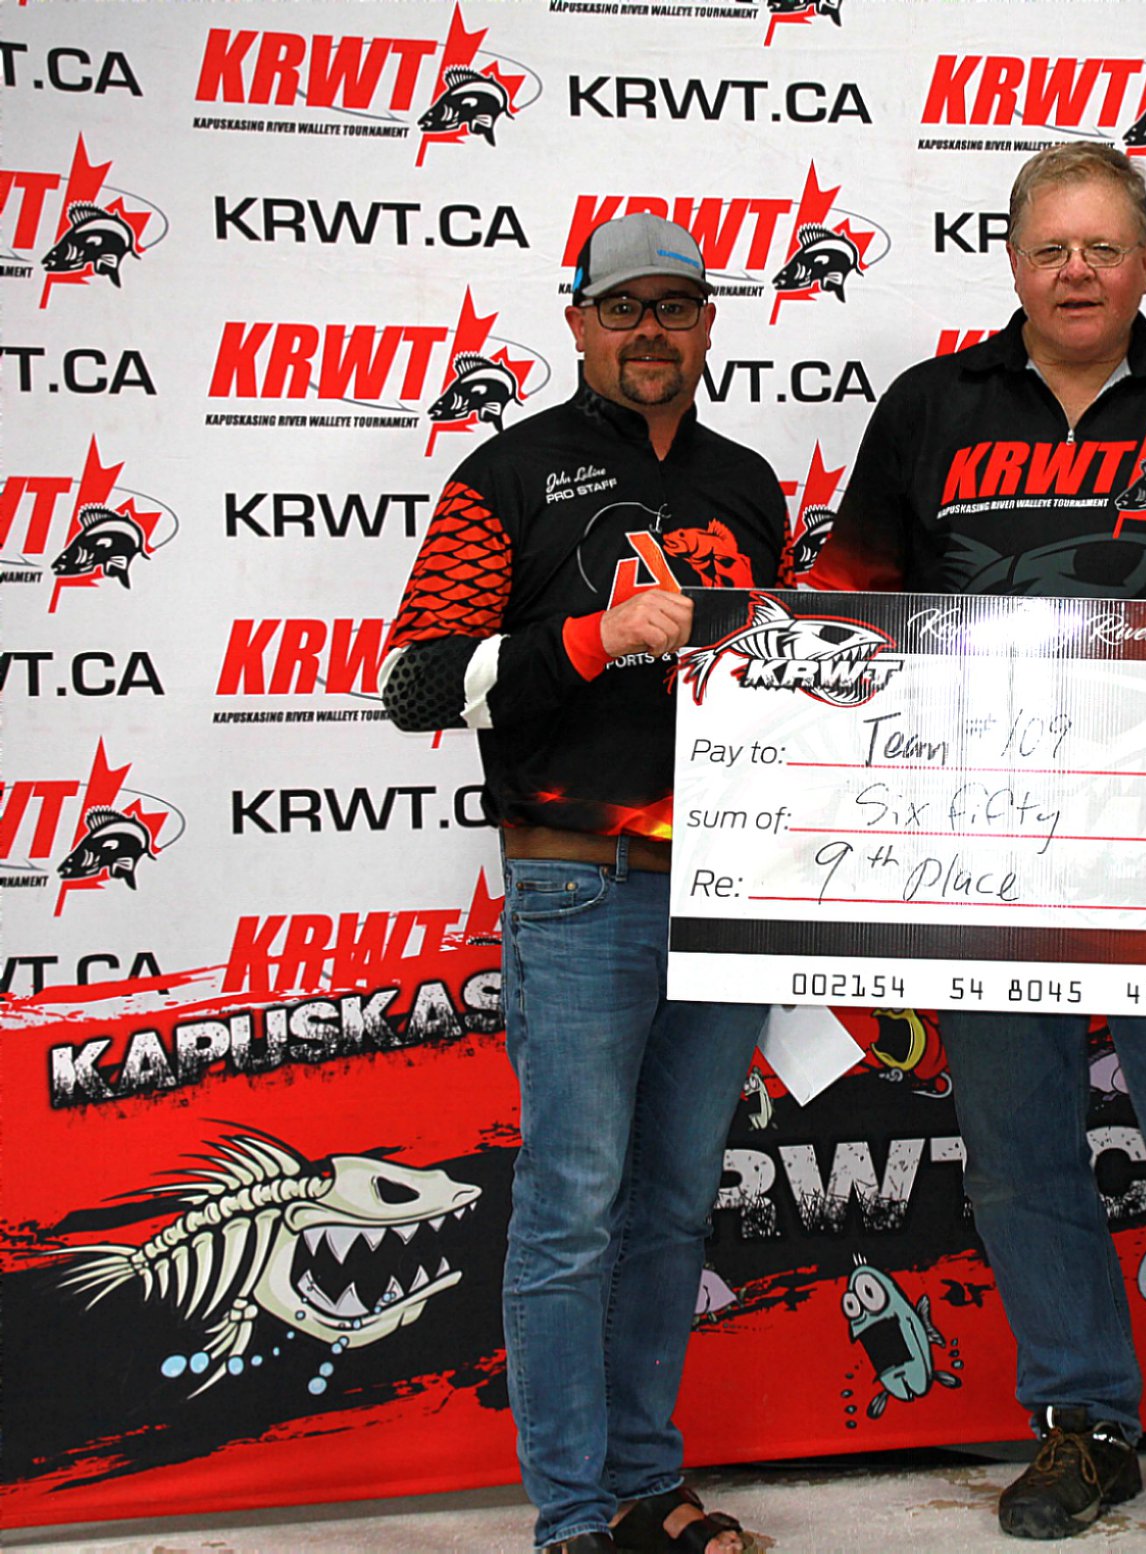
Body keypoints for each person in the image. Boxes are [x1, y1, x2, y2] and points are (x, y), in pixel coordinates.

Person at [810, 143, 1146, 1554]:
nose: (1076, 273)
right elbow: (840, 614)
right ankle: (1085, 1425)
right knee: (1016, 1143)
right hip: (982, 848)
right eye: (1052, 247)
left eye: (1103, 248)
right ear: (1012, 260)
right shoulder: (930, 408)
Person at [380, 214, 789, 1554]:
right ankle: (569, 1514)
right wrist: (593, 635)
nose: (649, 331)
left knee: (672, 1206)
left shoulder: (747, 483)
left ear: (709, 324)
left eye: (675, 306)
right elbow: (417, 684)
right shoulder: (506, 473)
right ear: (576, 322)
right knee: (572, 1208)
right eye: (623, 308)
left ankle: (644, 1486)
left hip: (722, 892)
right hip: (578, 885)